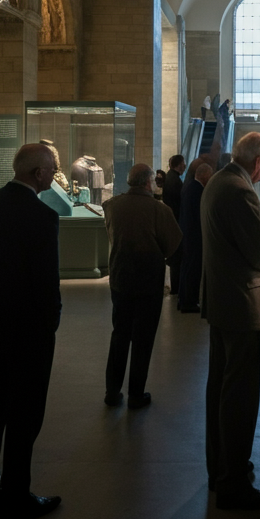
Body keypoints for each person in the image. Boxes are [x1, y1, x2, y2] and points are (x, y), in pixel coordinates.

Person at [0, 143, 62, 519]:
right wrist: (51, 321)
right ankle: (15, 498)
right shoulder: (41, 215)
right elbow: (45, 281)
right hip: (28, 331)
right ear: (38, 173)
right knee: (24, 416)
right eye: (52, 169)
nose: (54, 174)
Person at [201, 132, 260, 511]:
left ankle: (221, 467)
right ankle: (233, 484)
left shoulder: (218, 180)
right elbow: (259, 252)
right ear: (259, 162)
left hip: (221, 301)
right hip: (241, 304)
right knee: (239, 396)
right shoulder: (240, 190)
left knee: (220, 387)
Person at [103, 163, 182, 408]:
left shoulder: (112, 205)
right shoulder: (159, 210)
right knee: (143, 339)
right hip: (148, 282)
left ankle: (112, 392)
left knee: (120, 334)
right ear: (148, 183)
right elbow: (174, 246)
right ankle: (136, 394)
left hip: (120, 279)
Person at [177, 160, 213, 312]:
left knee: (187, 268)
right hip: (194, 236)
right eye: (210, 176)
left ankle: (184, 299)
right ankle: (189, 302)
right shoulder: (197, 191)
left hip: (187, 234)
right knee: (193, 269)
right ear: (203, 175)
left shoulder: (189, 187)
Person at [162, 154, 186, 294]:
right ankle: (176, 288)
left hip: (173, 220)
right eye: (183, 163)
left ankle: (175, 286)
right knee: (177, 257)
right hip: (176, 221)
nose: (185, 166)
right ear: (178, 165)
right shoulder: (175, 181)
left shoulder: (170, 178)